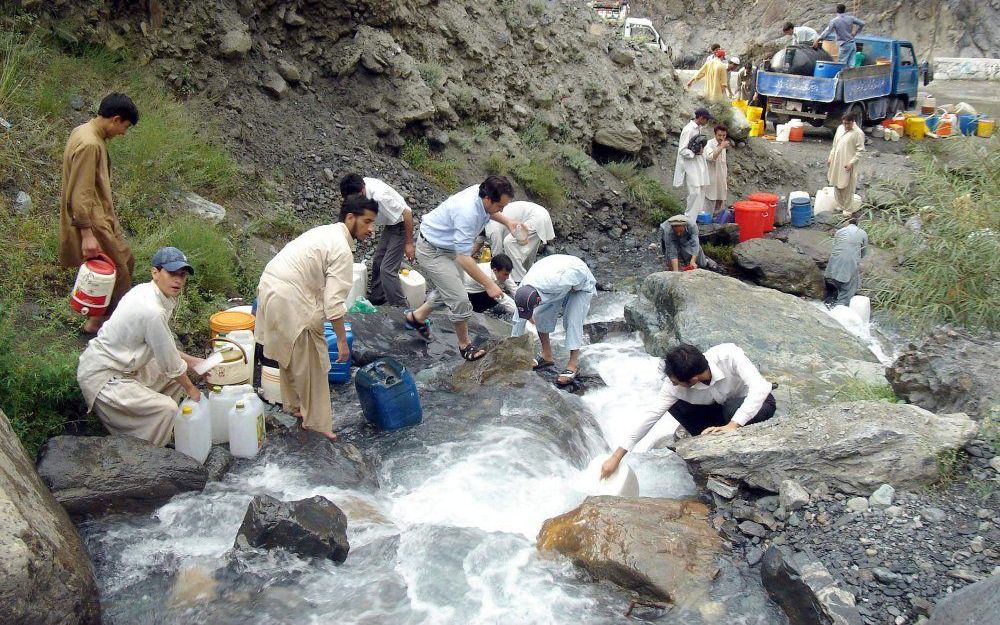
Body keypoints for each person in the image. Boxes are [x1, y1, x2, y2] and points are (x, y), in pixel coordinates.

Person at [255, 195, 378, 442]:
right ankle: (318, 425)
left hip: (269, 287)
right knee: (314, 360)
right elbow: (334, 304)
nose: (371, 230)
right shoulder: (342, 249)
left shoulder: (325, 232)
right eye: (367, 222)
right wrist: (342, 342)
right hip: (290, 296)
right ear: (350, 218)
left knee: (290, 354)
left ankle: (294, 406)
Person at [76, 247, 204, 447]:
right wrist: (192, 390)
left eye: (182, 275)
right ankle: (144, 450)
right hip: (105, 379)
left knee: (177, 377)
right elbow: (171, 364)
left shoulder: (147, 291)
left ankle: (154, 426)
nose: (178, 280)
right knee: (167, 408)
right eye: (172, 273)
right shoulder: (152, 309)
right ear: (155, 272)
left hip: (125, 365)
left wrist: (194, 362)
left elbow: (164, 347)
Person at [600, 343, 776, 479]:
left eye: (677, 382)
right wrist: (616, 457)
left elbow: (760, 387)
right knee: (675, 404)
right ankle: (708, 445)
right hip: (718, 411)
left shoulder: (728, 355)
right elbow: (651, 416)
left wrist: (733, 425)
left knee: (732, 409)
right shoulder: (672, 386)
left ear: (693, 379)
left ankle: (730, 438)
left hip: (757, 405)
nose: (673, 384)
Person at [403, 176, 521, 361]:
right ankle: (465, 346)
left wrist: (508, 222)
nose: (502, 210)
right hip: (432, 250)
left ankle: (416, 317)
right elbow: (464, 258)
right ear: (488, 198)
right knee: (459, 298)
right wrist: (489, 284)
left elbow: (490, 213)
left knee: (450, 289)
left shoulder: (482, 194)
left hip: (449, 246)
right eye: (500, 206)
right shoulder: (467, 211)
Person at [59, 93, 139, 335]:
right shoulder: (91, 144)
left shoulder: (83, 131)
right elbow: (81, 193)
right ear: (115, 119)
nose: (123, 134)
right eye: (124, 127)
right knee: (120, 269)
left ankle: (98, 321)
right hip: (93, 221)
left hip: (100, 216)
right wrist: (87, 235)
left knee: (127, 260)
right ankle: (102, 326)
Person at [512, 255, 596, 386]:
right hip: (555, 276)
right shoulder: (523, 290)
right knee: (540, 315)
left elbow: (579, 274)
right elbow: (518, 322)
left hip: (579, 280)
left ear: (538, 300)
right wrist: (515, 353)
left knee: (572, 320)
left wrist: (576, 287)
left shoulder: (559, 281)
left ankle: (573, 364)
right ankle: (546, 355)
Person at [339, 174, 415, 307]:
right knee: (378, 261)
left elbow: (407, 213)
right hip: (390, 224)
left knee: (387, 270)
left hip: (402, 224)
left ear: (362, 190)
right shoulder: (358, 185)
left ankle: (402, 309)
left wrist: (409, 244)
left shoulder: (380, 197)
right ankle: (378, 298)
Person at [482, 200, 555, 283]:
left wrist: (495, 275)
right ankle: (530, 275)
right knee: (526, 250)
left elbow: (498, 255)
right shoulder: (487, 221)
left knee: (509, 243)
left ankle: (519, 280)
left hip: (536, 218)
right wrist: (470, 254)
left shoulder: (491, 229)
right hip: (540, 215)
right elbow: (479, 241)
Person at [673, 108, 712, 220]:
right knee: (694, 191)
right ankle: (689, 217)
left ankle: (696, 216)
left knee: (700, 189)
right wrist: (694, 153)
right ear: (701, 118)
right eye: (706, 119)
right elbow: (682, 150)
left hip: (698, 163)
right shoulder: (688, 130)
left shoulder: (698, 128)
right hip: (690, 164)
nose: (707, 122)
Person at [824, 217, 868, 307]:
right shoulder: (863, 233)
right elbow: (864, 252)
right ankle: (839, 307)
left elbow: (835, 246)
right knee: (848, 287)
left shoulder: (840, 231)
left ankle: (828, 302)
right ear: (857, 224)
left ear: (847, 223)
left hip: (834, 262)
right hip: (849, 262)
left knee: (833, 284)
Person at [827, 113, 865, 214]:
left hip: (847, 163)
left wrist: (851, 163)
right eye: (844, 123)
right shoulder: (840, 129)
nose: (846, 126)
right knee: (836, 183)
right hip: (837, 162)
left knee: (847, 186)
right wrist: (831, 157)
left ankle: (848, 208)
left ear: (853, 122)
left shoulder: (858, 133)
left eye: (848, 124)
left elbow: (860, 151)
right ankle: (841, 205)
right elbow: (835, 145)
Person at [704, 124, 730, 216]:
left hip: (721, 177)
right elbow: (711, 157)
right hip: (712, 178)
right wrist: (721, 147)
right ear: (715, 134)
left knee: (720, 198)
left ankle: (716, 218)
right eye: (719, 135)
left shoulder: (723, 145)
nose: (721, 137)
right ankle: (707, 220)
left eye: (724, 135)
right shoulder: (709, 144)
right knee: (710, 199)